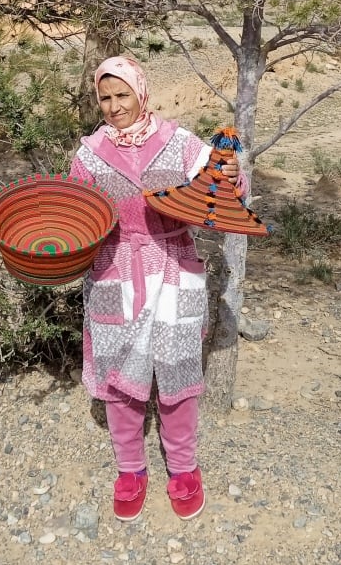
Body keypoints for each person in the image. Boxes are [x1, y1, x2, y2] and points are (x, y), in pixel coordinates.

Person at [69, 55, 244, 522]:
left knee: (177, 371)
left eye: (121, 95)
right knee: (119, 376)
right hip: (113, 271)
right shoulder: (89, 154)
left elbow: (224, 186)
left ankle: (184, 468)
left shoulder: (180, 144)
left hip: (174, 269)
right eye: (104, 98)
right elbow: (73, 213)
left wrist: (231, 175)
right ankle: (130, 470)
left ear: (140, 93)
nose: (112, 106)